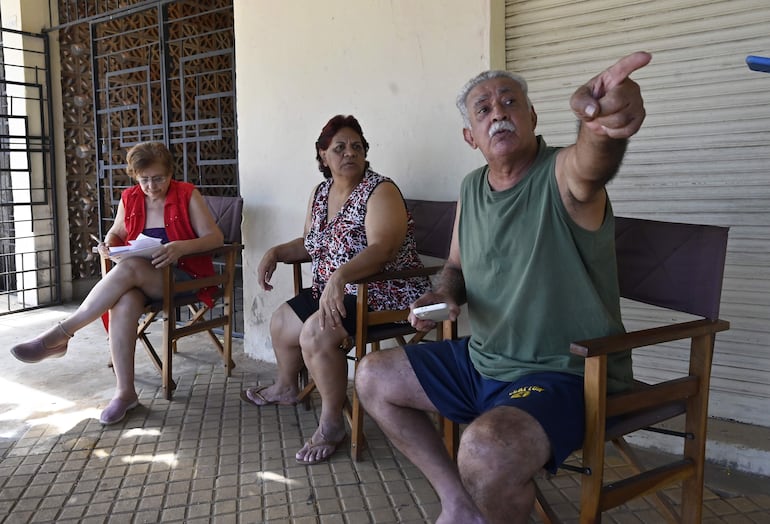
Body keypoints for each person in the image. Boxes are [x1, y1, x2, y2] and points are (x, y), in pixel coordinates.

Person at [355, 52, 652, 523]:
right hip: (485, 359)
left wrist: (602, 127)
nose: (498, 113)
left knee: (486, 450)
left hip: (568, 370)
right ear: (470, 136)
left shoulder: (561, 175)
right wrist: (445, 294)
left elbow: (591, 168)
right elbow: (455, 264)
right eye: (484, 109)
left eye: (510, 102)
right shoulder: (471, 187)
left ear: (531, 117)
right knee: (371, 376)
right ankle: (458, 503)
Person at [244, 114, 429, 465]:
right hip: (336, 289)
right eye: (340, 147)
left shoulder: (380, 189)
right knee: (282, 322)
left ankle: (332, 424)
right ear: (323, 154)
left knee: (315, 333)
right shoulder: (320, 192)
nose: (350, 153)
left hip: (383, 290)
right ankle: (286, 387)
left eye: (357, 146)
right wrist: (276, 252)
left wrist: (341, 276)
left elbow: (384, 249)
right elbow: (313, 244)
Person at [11, 142, 224, 425]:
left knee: (131, 267)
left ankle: (62, 333)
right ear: (135, 176)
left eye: (158, 178)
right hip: (143, 277)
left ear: (171, 173)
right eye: (144, 179)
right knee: (124, 302)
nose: (151, 186)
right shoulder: (131, 197)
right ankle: (125, 393)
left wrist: (180, 247)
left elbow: (215, 238)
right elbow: (116, 232)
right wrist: (107, 246)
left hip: (185, 276)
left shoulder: (187, 194)